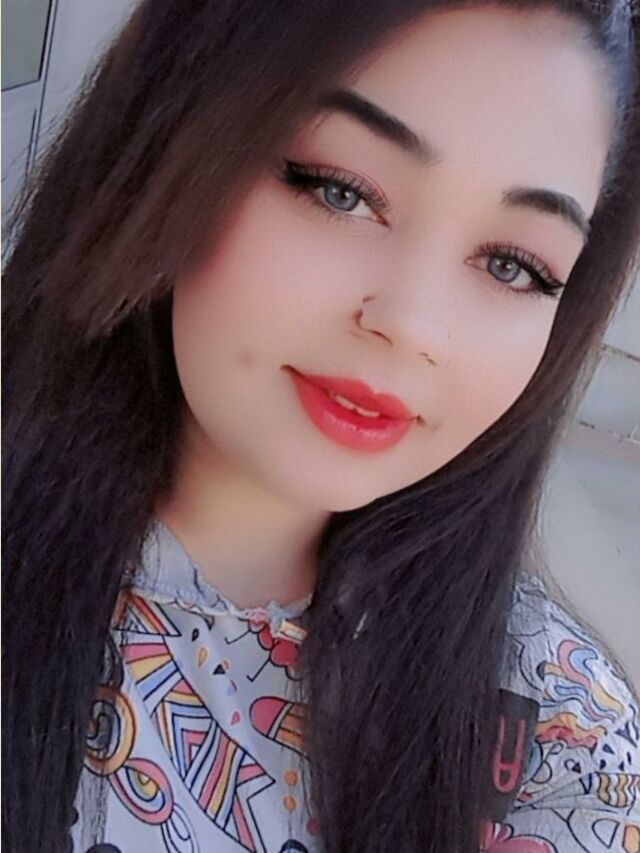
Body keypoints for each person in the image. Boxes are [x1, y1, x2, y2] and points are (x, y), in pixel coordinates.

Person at [3, 0, 639, 850]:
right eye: (341, 191)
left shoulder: (560, 740)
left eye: (512, 264)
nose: (413, 325)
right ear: (175, 137)